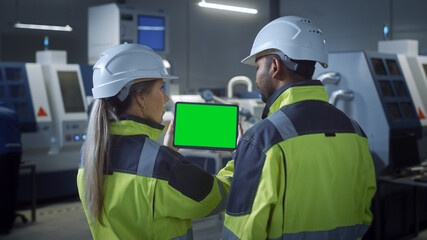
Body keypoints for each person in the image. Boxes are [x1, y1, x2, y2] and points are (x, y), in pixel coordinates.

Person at [218, 16, 377, 239]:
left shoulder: (263, 139)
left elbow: (242, 232)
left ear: (274, 66)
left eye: (257, 67)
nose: (256, 78)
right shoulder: (355, 132)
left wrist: (248, 151)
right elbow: (365, 213)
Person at [77, 44, 227, 239]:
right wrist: (241, 158)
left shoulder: (88, 153)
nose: (165, 97)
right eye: (161, 88)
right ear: (140, 98)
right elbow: (217, 198)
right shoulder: (162, 165)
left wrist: (167, 153)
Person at [0, 103, 22, 234]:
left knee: (2, 189)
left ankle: (3, 226)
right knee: (12, 186)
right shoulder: (10, 112)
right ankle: (10, 220)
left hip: (2, 152)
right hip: (16, 151)